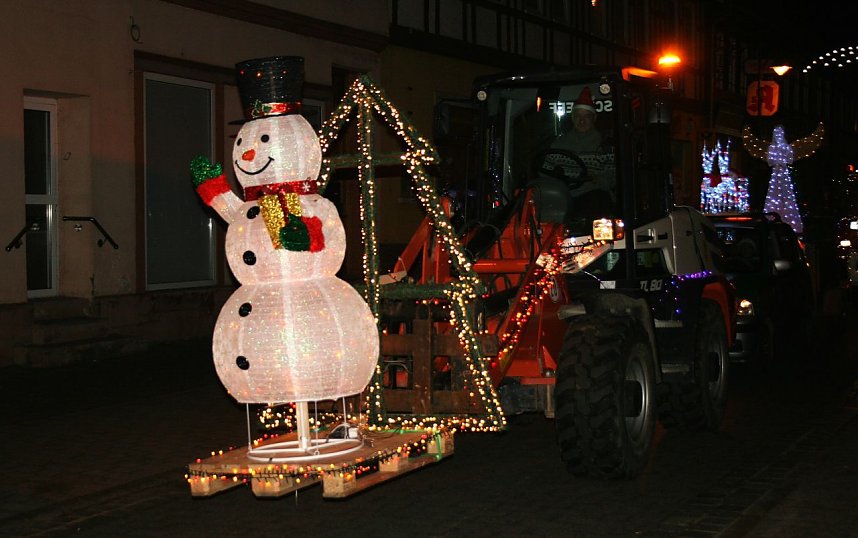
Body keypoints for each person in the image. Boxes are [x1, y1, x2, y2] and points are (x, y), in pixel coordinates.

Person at [552, 86, 602, 153]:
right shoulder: (559, 143)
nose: (582, 121)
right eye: (578, 116)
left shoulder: (604, 144)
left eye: (587, 116)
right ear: (572, 117)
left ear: (594, 118)